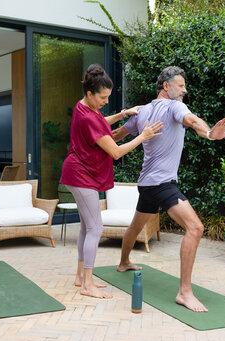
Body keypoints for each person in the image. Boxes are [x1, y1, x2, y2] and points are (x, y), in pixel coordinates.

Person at [113, 66, 225, 312]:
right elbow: (192, 120)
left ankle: (124, 262)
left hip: (147, 184)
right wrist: (210, 133)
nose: (184, 90)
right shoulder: (174, 106)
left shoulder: (143, 110)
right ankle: (184, 292)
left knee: (136, 226)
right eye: (181, 86)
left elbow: (115, 135)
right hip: (161, 183)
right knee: (196, 228)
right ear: (166, 86)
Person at [60, 64, 163, 299]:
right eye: (103, 97)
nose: (106, 101)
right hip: (81, 175)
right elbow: (116, 152)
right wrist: (143, 136)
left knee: (88, 227)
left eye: (108, 96)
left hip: (78, 172)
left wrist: (122, 114)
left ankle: (80, 278)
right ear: (90, 93)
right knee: (96, 228)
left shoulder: (82, 106)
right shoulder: (90, 118)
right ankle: (87, 284)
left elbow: (99, 119)